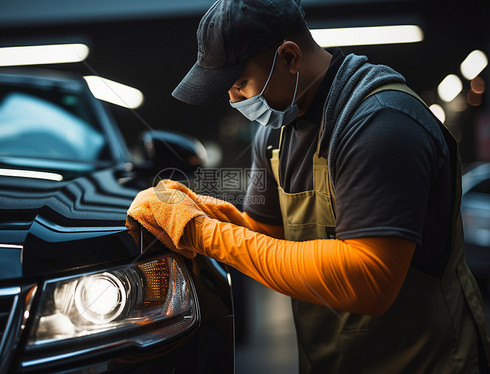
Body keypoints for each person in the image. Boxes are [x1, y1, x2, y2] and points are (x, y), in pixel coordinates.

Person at [127, 0, 490, 372]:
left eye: (239, 84)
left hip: (423, 360)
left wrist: (203, 233)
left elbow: (369, 279)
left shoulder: (379, 123)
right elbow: (266, 237)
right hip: (332, 359)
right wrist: (197, 210)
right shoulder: (273, 135)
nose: (234, 99)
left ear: (290, 58)